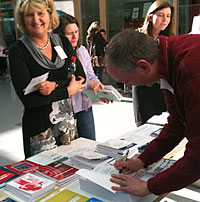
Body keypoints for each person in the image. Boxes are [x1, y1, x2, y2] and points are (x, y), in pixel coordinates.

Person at [105, 29, 200, 196]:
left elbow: (198, 155)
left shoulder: (191, 72)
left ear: (143, 66)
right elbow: (177, 124)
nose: (128, 87)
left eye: (127, 81)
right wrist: (142, 160)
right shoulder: (168, 60)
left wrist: (149, 187)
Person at [8, 0, 86, 158]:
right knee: (45, 175)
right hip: (40, 129)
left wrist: (56, 85)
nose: (36, 20)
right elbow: (30, 100)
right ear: (23, 19)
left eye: (40, 13)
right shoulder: (17, 51)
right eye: (30, 15)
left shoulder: (62, 42)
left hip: (66, 123)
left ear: (50, 15)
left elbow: (80, 77)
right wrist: (68, 90)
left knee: (70, 169)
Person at [54, 13, 104, 140]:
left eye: (76, 31)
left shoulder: (82, 50)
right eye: (69, 33)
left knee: (89, 142)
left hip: (84, 105)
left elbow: (90, 74)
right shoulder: (56, 54)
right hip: (65, 108)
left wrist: (99, 87)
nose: (74, 36)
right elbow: (67, 80)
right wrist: (88, 84)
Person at [133, 0, 174, 126]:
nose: (165, 20)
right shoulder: (138, 36)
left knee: (163, 125)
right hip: (144, 88)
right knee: (145, 126)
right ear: (151, 17)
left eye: (168, 16)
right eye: (161, 15)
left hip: (163, 88)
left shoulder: (170, 39)